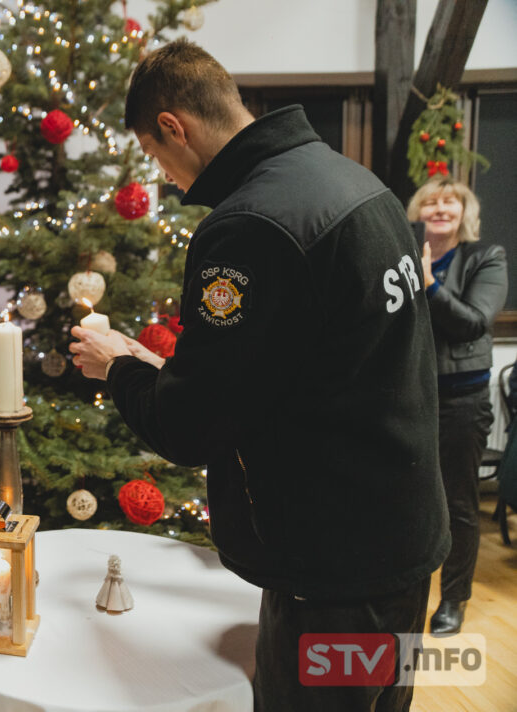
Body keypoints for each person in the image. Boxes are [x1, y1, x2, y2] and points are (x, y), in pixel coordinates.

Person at [70, 39, 448, 711]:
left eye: (155, 156)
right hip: (401, 536)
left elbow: (190, 428)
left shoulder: (250, 226)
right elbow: (302, 365)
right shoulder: (353, 182)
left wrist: (118, 368)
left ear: (174, 127)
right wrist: (165, 368)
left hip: (331, 569)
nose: (165, 177)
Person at [407, 177, 506, 634]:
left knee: (458, 504)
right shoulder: (401, 256)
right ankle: (406, 590)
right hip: (409, 396)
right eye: (432, 201)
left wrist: (429, 284)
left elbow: (473, 323)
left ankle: (454, 598)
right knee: (408, 499)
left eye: (451, 201)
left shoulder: (486, 258)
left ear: (465, 212)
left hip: (462, 400)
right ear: (418, 212)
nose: (441, 208)